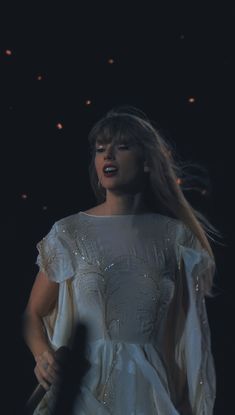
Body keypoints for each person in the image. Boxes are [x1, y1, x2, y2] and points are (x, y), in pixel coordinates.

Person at [23, 105, 220, 414]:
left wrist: (183, 401)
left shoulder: (176, 238)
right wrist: (42, 356)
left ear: (146, 162)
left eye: (122, 147)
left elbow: (182, 336)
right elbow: (33, 314)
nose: (108, 156)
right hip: (82, 388)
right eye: (101, 149)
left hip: (148, 392)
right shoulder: (69, 232)